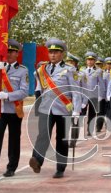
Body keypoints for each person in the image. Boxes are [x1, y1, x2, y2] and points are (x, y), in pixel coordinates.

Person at [29, 38, 82, 179]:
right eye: (50, 52)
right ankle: (37, 161)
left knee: (61, 140)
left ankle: (60, 168)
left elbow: (76, 91)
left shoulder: (70, 70)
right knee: (42, 136)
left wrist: (77, 110)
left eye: (56, 52)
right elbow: (39, 87)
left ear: (62, 53)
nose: (52, 55)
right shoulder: (42, 69)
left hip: (64, 109)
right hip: (46, 109)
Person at [0, 39, 29, 178]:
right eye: (7, 51)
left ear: (17, 54)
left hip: (14, 110)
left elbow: (24, 91)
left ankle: (11, 167)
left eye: (12, 52)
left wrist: (7, 95)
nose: (9, 54)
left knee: (14, 139)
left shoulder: (23, 70)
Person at [81, 51, 105, 136]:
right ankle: (78, 129)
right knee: (81, 113)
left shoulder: (99, 71)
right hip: (83, 95)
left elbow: (101, 84)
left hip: (93, 95)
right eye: (88, 60)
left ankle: (89, 129)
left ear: (94, 61)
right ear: (86, 61)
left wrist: (101, 95)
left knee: (92, 113)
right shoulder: (82, 70)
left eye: (92, 60)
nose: (90, 61)